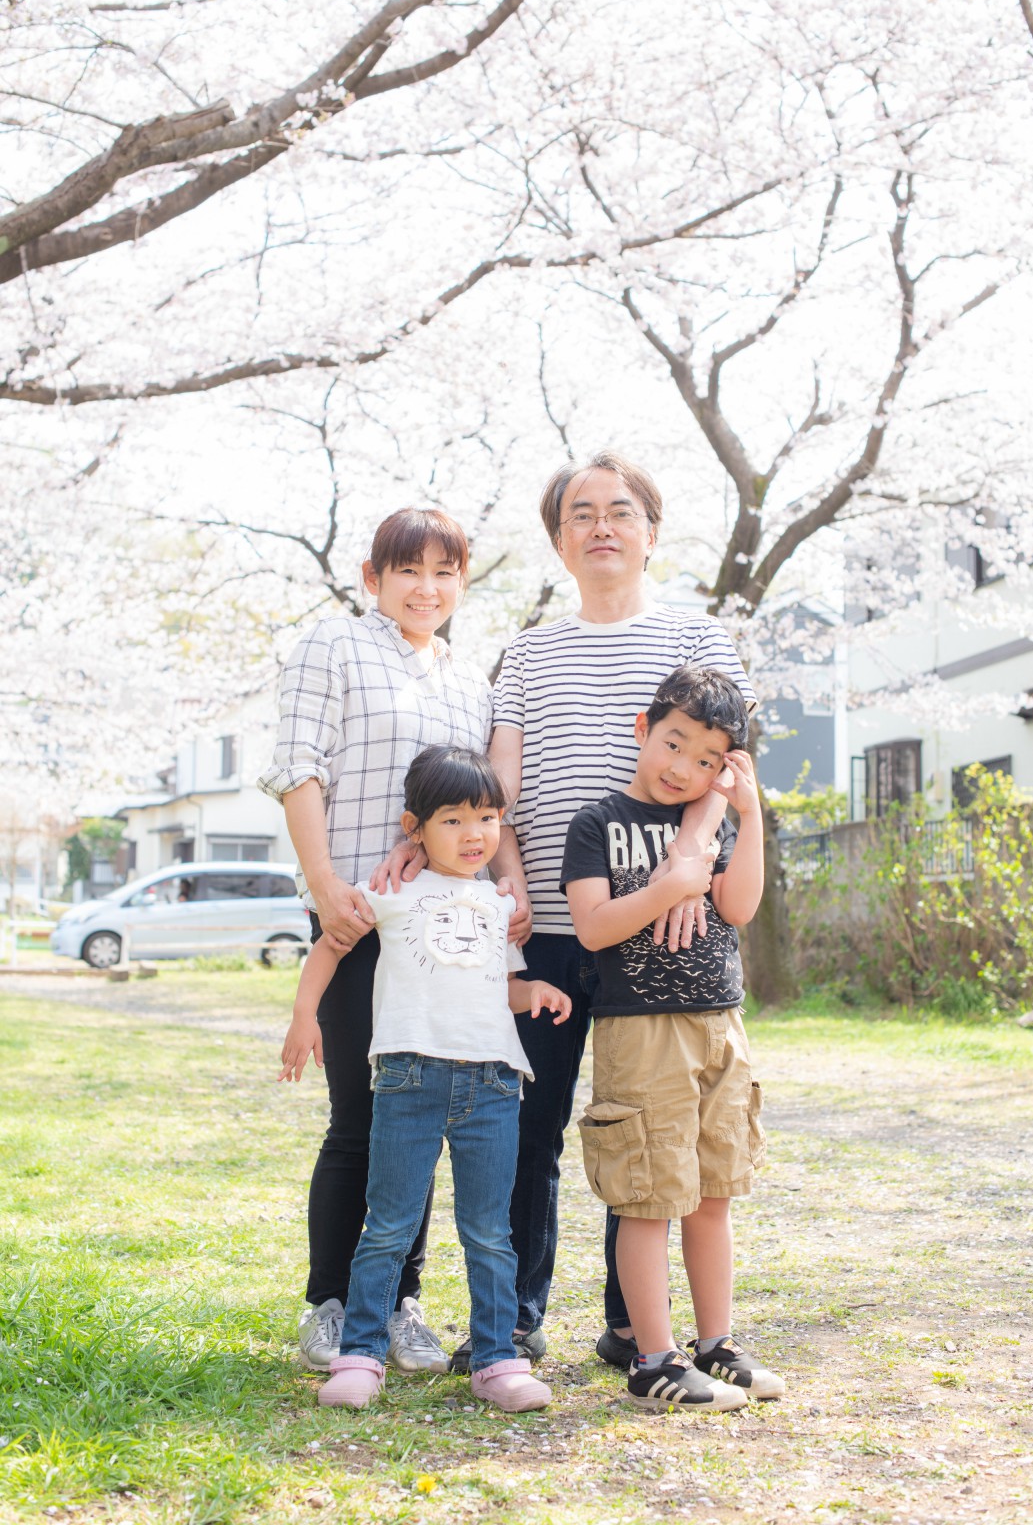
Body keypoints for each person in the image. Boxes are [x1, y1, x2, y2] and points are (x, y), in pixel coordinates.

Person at [483, 450, 757, 1370]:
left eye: (620, 510)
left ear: (650, 529)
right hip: (557, 928)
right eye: (581, 513)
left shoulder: (699, 638)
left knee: (641, 1128)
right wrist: (509, 872)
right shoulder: (527, 652)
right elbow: (505, 785)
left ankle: (631, 1328)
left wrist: (687, 861)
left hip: (663, 934)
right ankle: (515, 1319)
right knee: (533, 1128)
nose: (601, 525)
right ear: (560, 539)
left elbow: (730, 765)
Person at [259, 507, 515, 1376]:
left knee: (425, 1116)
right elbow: (300, 768)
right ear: (374, 577)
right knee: (360, 1119)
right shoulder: (331, 648)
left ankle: (401, 1303)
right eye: (410, 570)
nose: (427, 588)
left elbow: (456, 797)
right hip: (353, 917)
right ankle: (331, 1304)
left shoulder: (470, 681)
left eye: (446, 572)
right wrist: (327, 886)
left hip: (435, 926)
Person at [278, 744, 569, 1412]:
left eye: (488, 818)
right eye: (455, 820)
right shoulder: (393, 889)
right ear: (415, 827)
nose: (475, 835)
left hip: (493, 1085)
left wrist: (537, 993)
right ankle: (361, 1353)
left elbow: (501, 986)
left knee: (488, 1231)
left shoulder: (501, 903)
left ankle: (496, 1360)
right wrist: (304, 1018)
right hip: (409, 1076)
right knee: (388, 1224)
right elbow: (330, 943)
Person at [562, 665, 784, 1411]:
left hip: (721, 1021)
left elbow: (741, 905)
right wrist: (666, 888)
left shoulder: (716, 822)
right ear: (642, 730)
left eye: (707, 761)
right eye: (674, 745)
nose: (683, 769)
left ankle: (714, 1343)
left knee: (714, 1193)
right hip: (639, 1031)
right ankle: (651, 1358)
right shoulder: (596, 823)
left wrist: (747, 819)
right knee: (648, 1198)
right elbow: (593, 926)